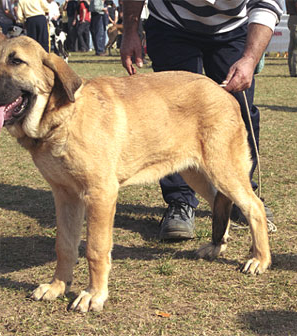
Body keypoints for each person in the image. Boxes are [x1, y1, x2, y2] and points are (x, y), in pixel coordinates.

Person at [121, 0, 282, 240]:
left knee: (240, 109)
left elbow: (267, 4)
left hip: (232, 27)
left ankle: (240, 195)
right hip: (171, 23)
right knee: (172, 120)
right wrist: (130, 31)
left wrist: (249, 58)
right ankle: (180, 201)